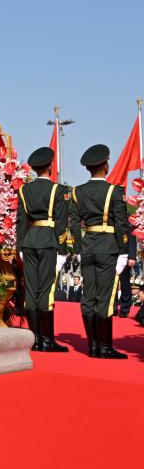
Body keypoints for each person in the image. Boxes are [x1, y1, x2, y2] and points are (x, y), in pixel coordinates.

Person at [70, 144, 131, 359]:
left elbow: (74, 225)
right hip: (108, 249)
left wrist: (78, 249)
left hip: (87, 249)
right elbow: (122, 225)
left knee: (89, 297)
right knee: (105, 297)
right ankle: (104, 347)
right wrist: (124, 251)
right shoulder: (114, 191)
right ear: (105, 166)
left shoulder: (77, 192)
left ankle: (93, 345)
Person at [16, 147, 70, 352]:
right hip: (48, 242)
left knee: (31, 290)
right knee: (46, 291)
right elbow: (61, 223)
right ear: (50, 166)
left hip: (29, 241)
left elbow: (20, 222)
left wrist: (21, 246)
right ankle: (47, 341)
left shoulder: (23, 190)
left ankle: (35, 339)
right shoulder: (58, 190)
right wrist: (62, 250)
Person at [115, 196, 138, 317]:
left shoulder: (130, 220)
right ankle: (112, 308)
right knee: (111, 283)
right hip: (112, 255)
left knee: (124, 283)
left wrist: (132, 257)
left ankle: (125, 309)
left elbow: (132, 239)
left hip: (125, 256)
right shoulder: (111, 218)